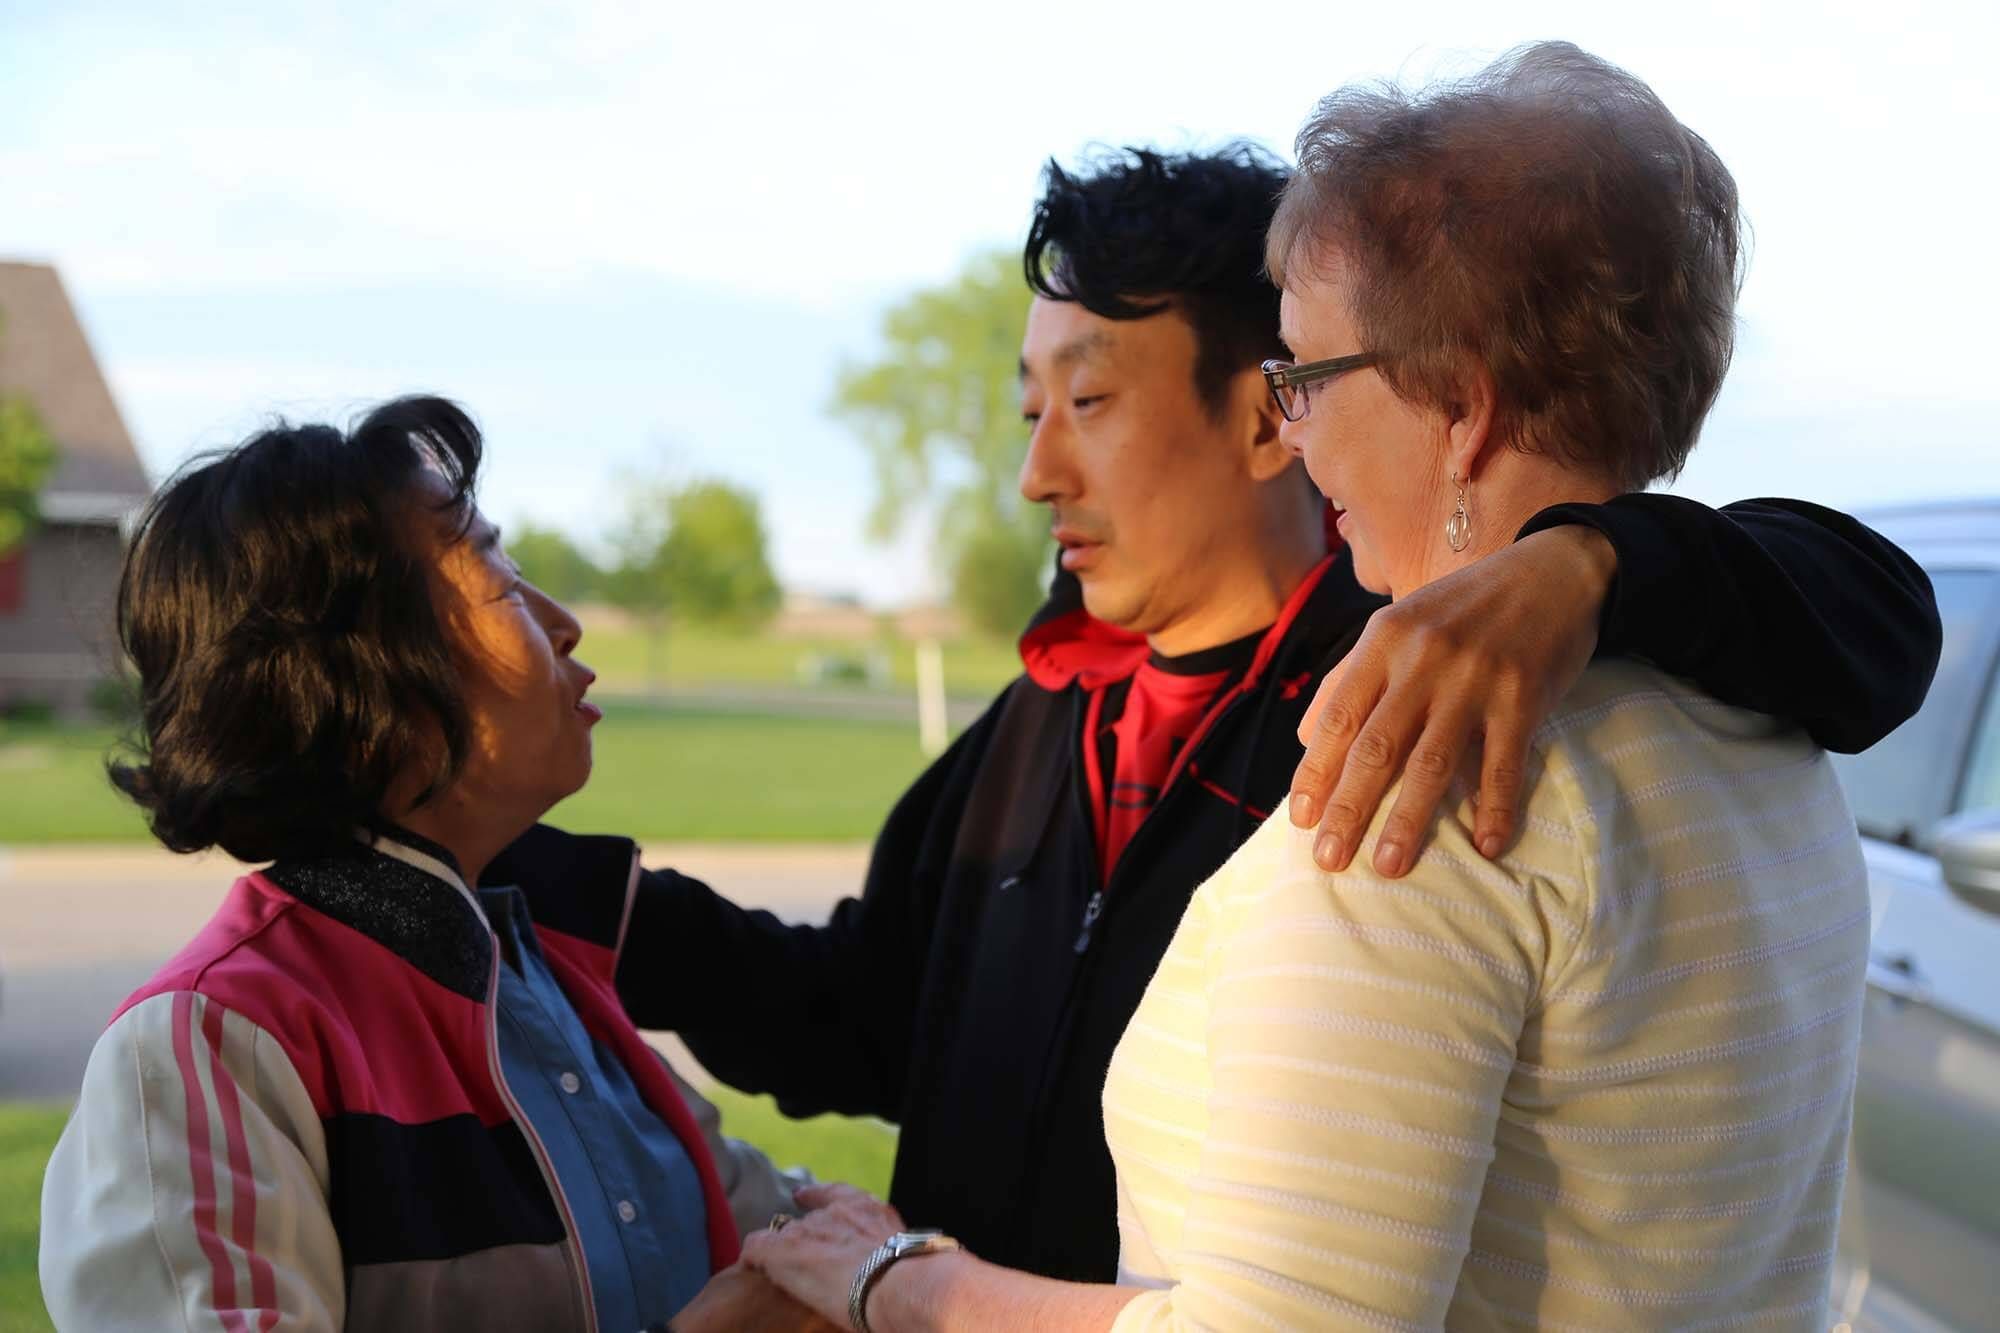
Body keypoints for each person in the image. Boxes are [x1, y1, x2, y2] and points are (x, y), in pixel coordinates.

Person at [543, 144, 1939, 1284]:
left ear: (1274, 410)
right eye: (1026, 409)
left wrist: (1591, 561)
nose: (1036, 472)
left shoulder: (1415, 701)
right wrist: (571, 896)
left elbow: (1870, 602)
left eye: (1086, 399)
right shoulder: (1042, 717)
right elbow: (872, 1015)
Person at [37, 399, 828, 1332]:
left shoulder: (546, 977)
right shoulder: (207, 1049)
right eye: (501, 578)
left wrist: (883, 1260)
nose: (565, 624)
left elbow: (799, 1229)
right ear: (362, 672)